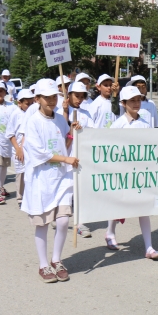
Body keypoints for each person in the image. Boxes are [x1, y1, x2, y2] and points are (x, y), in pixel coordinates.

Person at [21, 79, 78, 283]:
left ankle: (57, 260)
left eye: (55, 96)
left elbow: (65, 142)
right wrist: (65, 159)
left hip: (61, 177)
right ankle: (43, 264)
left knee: (63, 220)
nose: (52, 101)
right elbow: (39, 152)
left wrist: (73, 133)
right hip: (41, 179)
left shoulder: (60, 120)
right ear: (37, 99)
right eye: (47, 97)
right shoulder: (33, 122)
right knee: (43, 223)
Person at [103, 86, 158, 258]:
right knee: (118, 207)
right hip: (123, 174)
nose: (136, 103)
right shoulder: (117, 125)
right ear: (123, 103)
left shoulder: (145, 123)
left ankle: (149, 247)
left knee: (143, 208)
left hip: (142, 174)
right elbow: (109, 150)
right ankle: (110, 232)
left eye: (138, 100)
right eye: (132, 101)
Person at [57, 81, 93, 238]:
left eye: (82, 96)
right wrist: (69, 124)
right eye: (76, 96)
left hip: (82, 157)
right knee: (66, 190)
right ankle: (58, 214)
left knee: (80, 191)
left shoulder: (87, 113)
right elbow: (61, 137)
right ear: (68, 95)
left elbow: (93, 133)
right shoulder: (60, 112)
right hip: (67, 157)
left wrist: (82, 130)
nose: (79, 99)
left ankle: (79, 222)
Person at [7, 89, 35, 207]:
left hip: (31, 148)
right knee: (21, 173)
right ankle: (20, 197)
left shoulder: (35, 113)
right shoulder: (16, 114)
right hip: (19, 148)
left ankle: (31, 196)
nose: (29, 106)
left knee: (32, 173)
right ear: (19, 103)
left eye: (31, 103)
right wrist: (18, 149)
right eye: (27, 104)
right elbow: (10, 133)